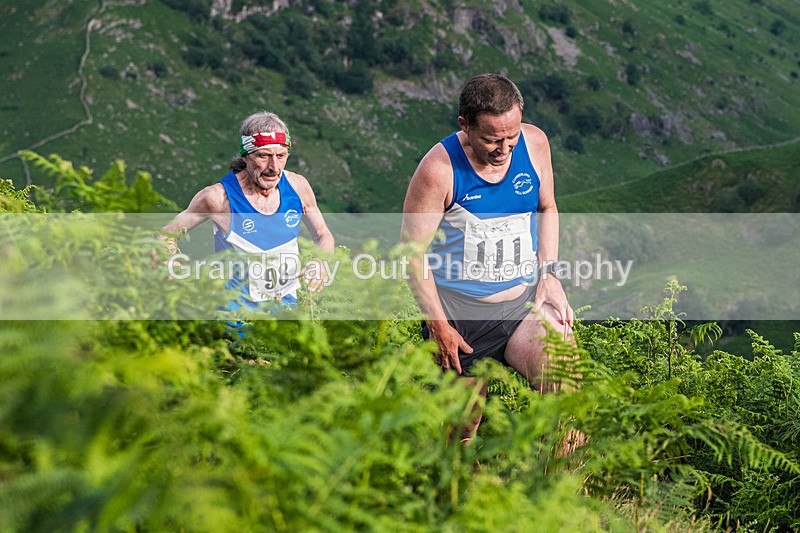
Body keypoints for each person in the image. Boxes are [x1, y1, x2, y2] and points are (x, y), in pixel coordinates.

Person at [401, 73, 575, 442]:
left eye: (511, 137)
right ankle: (455, 495)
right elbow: (412, 256)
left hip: (522, 304)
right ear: (465, 126)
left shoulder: (535, 143)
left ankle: (564, 495)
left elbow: (548, 207)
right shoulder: (439, 170)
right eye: (492, 139)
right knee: (461, 432)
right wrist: (438, 325)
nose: (504, 148)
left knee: (567, 397)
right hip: (461, 317)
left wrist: (550, 273)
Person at [158, 110, 334, 313]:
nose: (274, 167)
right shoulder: (217, 198)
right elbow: (165, 235)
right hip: (234, 320)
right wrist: (169, 261)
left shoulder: (298, 186)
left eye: (281, 156)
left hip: (286, 315)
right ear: (246, 156)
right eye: (264, 156)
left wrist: (320, 261)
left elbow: (323, 235)